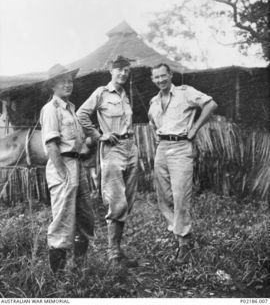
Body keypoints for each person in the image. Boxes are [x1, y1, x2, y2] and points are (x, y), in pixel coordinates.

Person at [148, 63, 217, 263]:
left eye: (163, 76)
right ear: (153, 79)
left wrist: (194, 129)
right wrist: (157, 138)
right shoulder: (153, 101)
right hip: (162, 148)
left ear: (170, 75)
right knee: (164, 197)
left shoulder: (185, 93)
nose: (160, 80)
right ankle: (181, 234)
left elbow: (210, 104)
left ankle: (184, 243)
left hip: (180, 148)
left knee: (180, 195)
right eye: (156, 77)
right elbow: (152, 123)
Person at [76, 55, 139, 269]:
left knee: (127, 202)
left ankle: (118, 251)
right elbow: (81, 114)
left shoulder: (125, 95)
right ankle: (112, 255)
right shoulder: (101, 93)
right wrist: (97, 134)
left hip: (130, 148)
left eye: (126, 71)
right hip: (112, 150)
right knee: (117, 202)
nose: (123, 74)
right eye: (119, 70)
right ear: (111, 71)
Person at [40, 64, 95, 273]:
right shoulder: (51, 109)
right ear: (52, 85)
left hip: (76, 164)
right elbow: (52, 145)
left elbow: (78, 140)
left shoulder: (70, 108)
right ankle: (59, 278)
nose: (68, 84)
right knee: (63, 220)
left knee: (84, 217)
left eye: (70, 80)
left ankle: (80, 268)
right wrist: (63, 173)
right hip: (62, 164)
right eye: (62, 81)